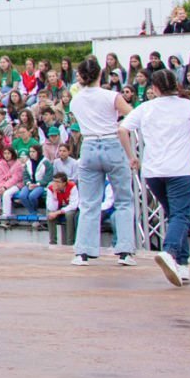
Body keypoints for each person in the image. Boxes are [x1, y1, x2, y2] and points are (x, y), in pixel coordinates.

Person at [123, 68, 190, 287]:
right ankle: (170, 251)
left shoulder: (146, 107)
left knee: (175, 215)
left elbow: (122, 129)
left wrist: (131, 156)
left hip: (153, 172)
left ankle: (182, 264)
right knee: (182, 215)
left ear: (155, 88)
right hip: (181, 170)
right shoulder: (189, 107)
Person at [70, 56, 138, 267]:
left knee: (88, 202)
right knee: (123, 200)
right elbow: (133, 115)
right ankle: (125, 251)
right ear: (100, 74)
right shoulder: (111, 96)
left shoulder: (75, 100)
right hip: (111, 143)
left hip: (89, 145)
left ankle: (83, 251)